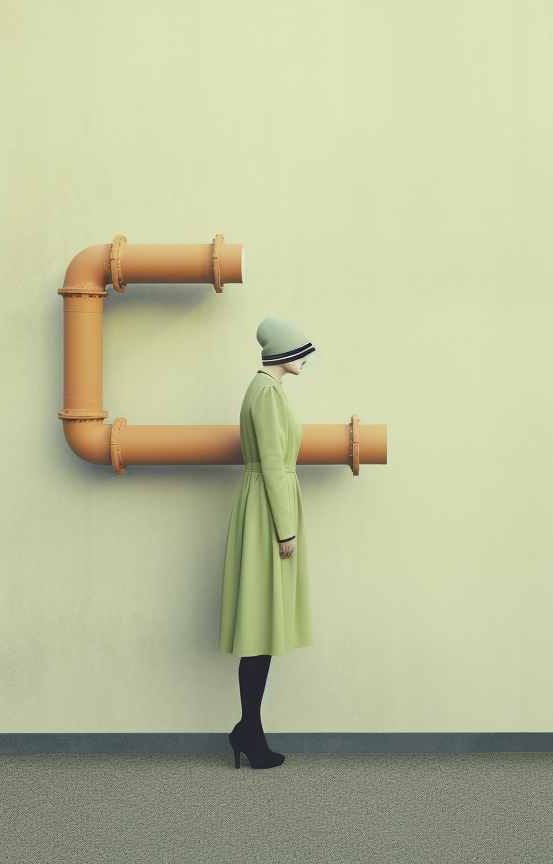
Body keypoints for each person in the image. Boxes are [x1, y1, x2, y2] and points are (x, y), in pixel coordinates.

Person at [220, 317, 317, 769]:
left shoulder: (266, 391)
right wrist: (286, 528)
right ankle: (249, 731)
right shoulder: (266, 393)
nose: (303, 359)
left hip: (264, 507)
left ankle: (249, 730)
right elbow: (274, 463)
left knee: (262, 625)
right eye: (299, 352)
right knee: (260, 626)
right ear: (281, 354)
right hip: (267, 513)